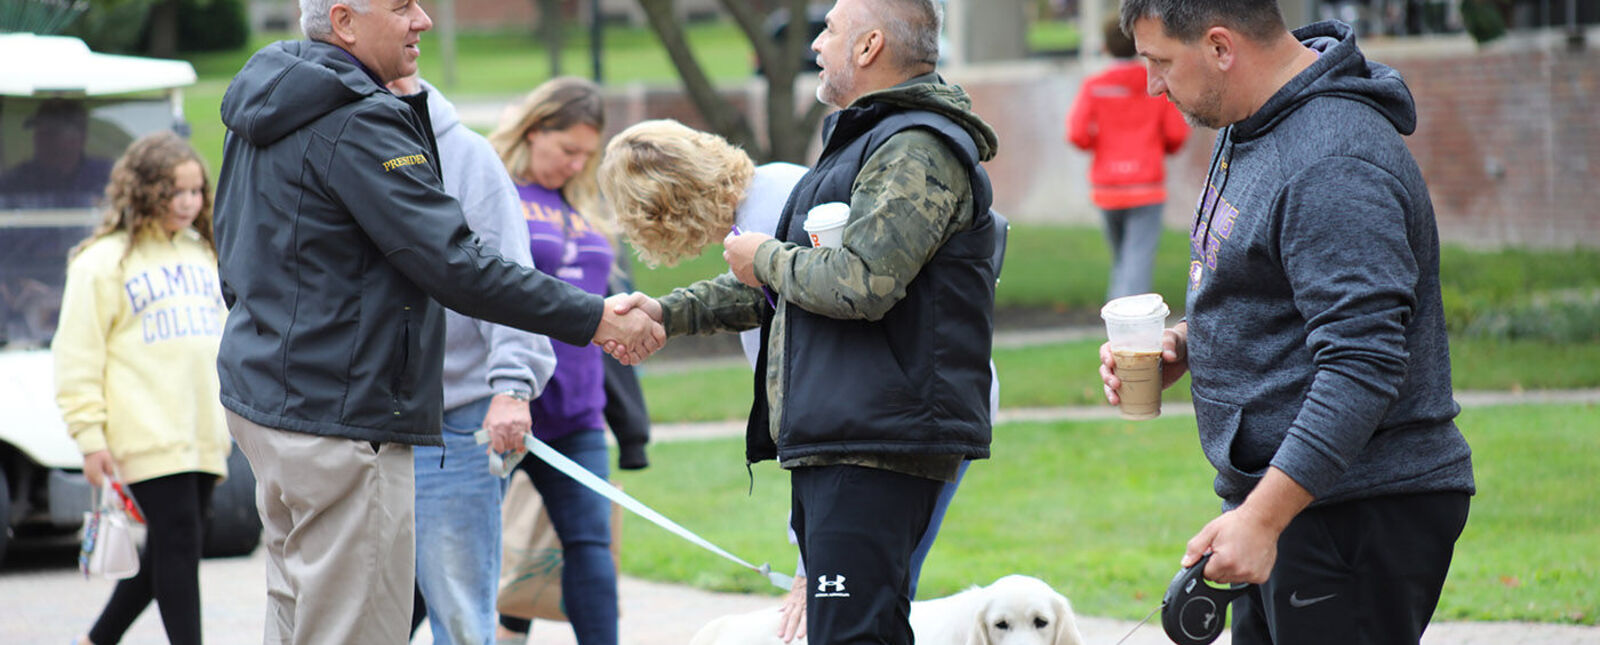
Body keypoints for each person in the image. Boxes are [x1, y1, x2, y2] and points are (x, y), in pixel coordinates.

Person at [210, 2, 662, 643]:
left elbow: (231, 254)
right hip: (343, 423)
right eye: (401, 6)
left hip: (271, 410)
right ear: (344, 21)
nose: (422, 19)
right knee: (355, 627)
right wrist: (593, 317)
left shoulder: (268, 102)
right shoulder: (360, 119)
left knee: (296, 613)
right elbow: (455, 264)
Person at [612, 1, 1000, 642]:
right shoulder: (866, 141)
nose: (815, 43)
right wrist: (663, 311)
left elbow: (863, 282)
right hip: (848, 436)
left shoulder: (916, 145)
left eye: (829, 30)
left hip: (880, 440)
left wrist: (762, 255)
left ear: (871, 45)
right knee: (849, 630)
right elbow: (787, 292)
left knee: (853, 633)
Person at [1099, 2, 1475, 643]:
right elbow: (1275, 288)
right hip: (1294, 500)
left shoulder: (1331, 163)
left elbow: (1363, 362)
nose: (1151, 85)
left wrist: (1263, 520)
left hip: (1355, 509)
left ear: (1220, 47)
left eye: (1159, 62)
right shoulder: (1250, 123)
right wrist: (1191, 342)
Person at [380, 74, 558, 645]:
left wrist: (512, 386)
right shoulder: (321, 144)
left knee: (459, 613)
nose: (418, 24)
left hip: (452, 422)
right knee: (354, 608)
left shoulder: (466, 157)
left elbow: (508, 277)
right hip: (345, 425)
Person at [54, 131, 230, 645]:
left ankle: (96, 640)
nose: (188, 203)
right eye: (175, 192)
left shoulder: (204, 253)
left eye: (196, 191)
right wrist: (89, 437)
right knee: (178, 545)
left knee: (171, 551)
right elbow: (77, 356)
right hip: (145, 432)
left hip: (202, 433)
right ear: (144, 190)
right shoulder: (100, 263)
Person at [485, 76, 621, 645]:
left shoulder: (583, 207)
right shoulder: (494, 192)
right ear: (535, 131)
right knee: (462, 547)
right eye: (567, 150)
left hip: (579, 409)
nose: (574, 165)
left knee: (591, 546)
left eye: (585, 156)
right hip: (499, 402)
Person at [1065, 17, 1189, 300]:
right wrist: (1159, 149)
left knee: (1122, 261)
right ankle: (1126, 331)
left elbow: (1076, 133)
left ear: (1105, 47)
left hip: (1108, 187)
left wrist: (1102, 146)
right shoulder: (1154, 86)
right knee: (1137, 262)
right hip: (1146, 184)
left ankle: (1117, 325)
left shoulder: (1095, 85)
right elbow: (1176, 134)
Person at [0, 98, 115, 209]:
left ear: (80, 138)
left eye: (52, 133)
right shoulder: (17, 182)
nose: (41, 140)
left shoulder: (106, 177)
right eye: (39, 132)